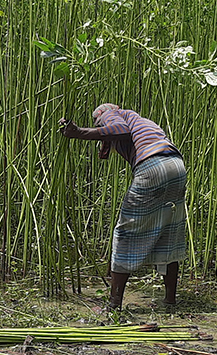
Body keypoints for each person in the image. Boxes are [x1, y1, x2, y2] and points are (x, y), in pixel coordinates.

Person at [60, 104, 187, 310]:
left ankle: (113, 305)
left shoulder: (112, 113)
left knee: (125, 233)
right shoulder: (144, 122)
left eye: (98, 122)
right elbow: (122, 134)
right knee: (168, 231)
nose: (100, 126)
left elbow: (121, 129)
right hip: (176, 164)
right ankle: (170, 300)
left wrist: (80, 133)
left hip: (152, 165)